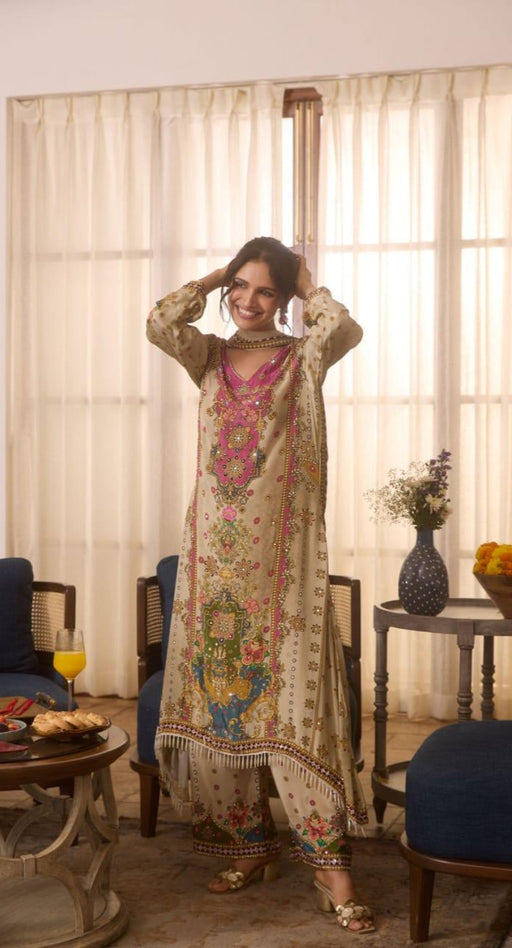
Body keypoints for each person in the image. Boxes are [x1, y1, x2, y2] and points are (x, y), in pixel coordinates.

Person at [147, 237, 373, 934]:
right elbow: (160, 322)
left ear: (284, 299)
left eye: (264, 291)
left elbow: (341, 328)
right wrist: (216, 273)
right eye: (238, 288)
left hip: (284, 571)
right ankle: (248, 845)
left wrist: (307, 284)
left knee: (293, 713)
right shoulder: (208, 355)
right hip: (213, 565)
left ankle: (329, 867)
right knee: (221, 713)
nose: (247, 302)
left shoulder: (302, 360)